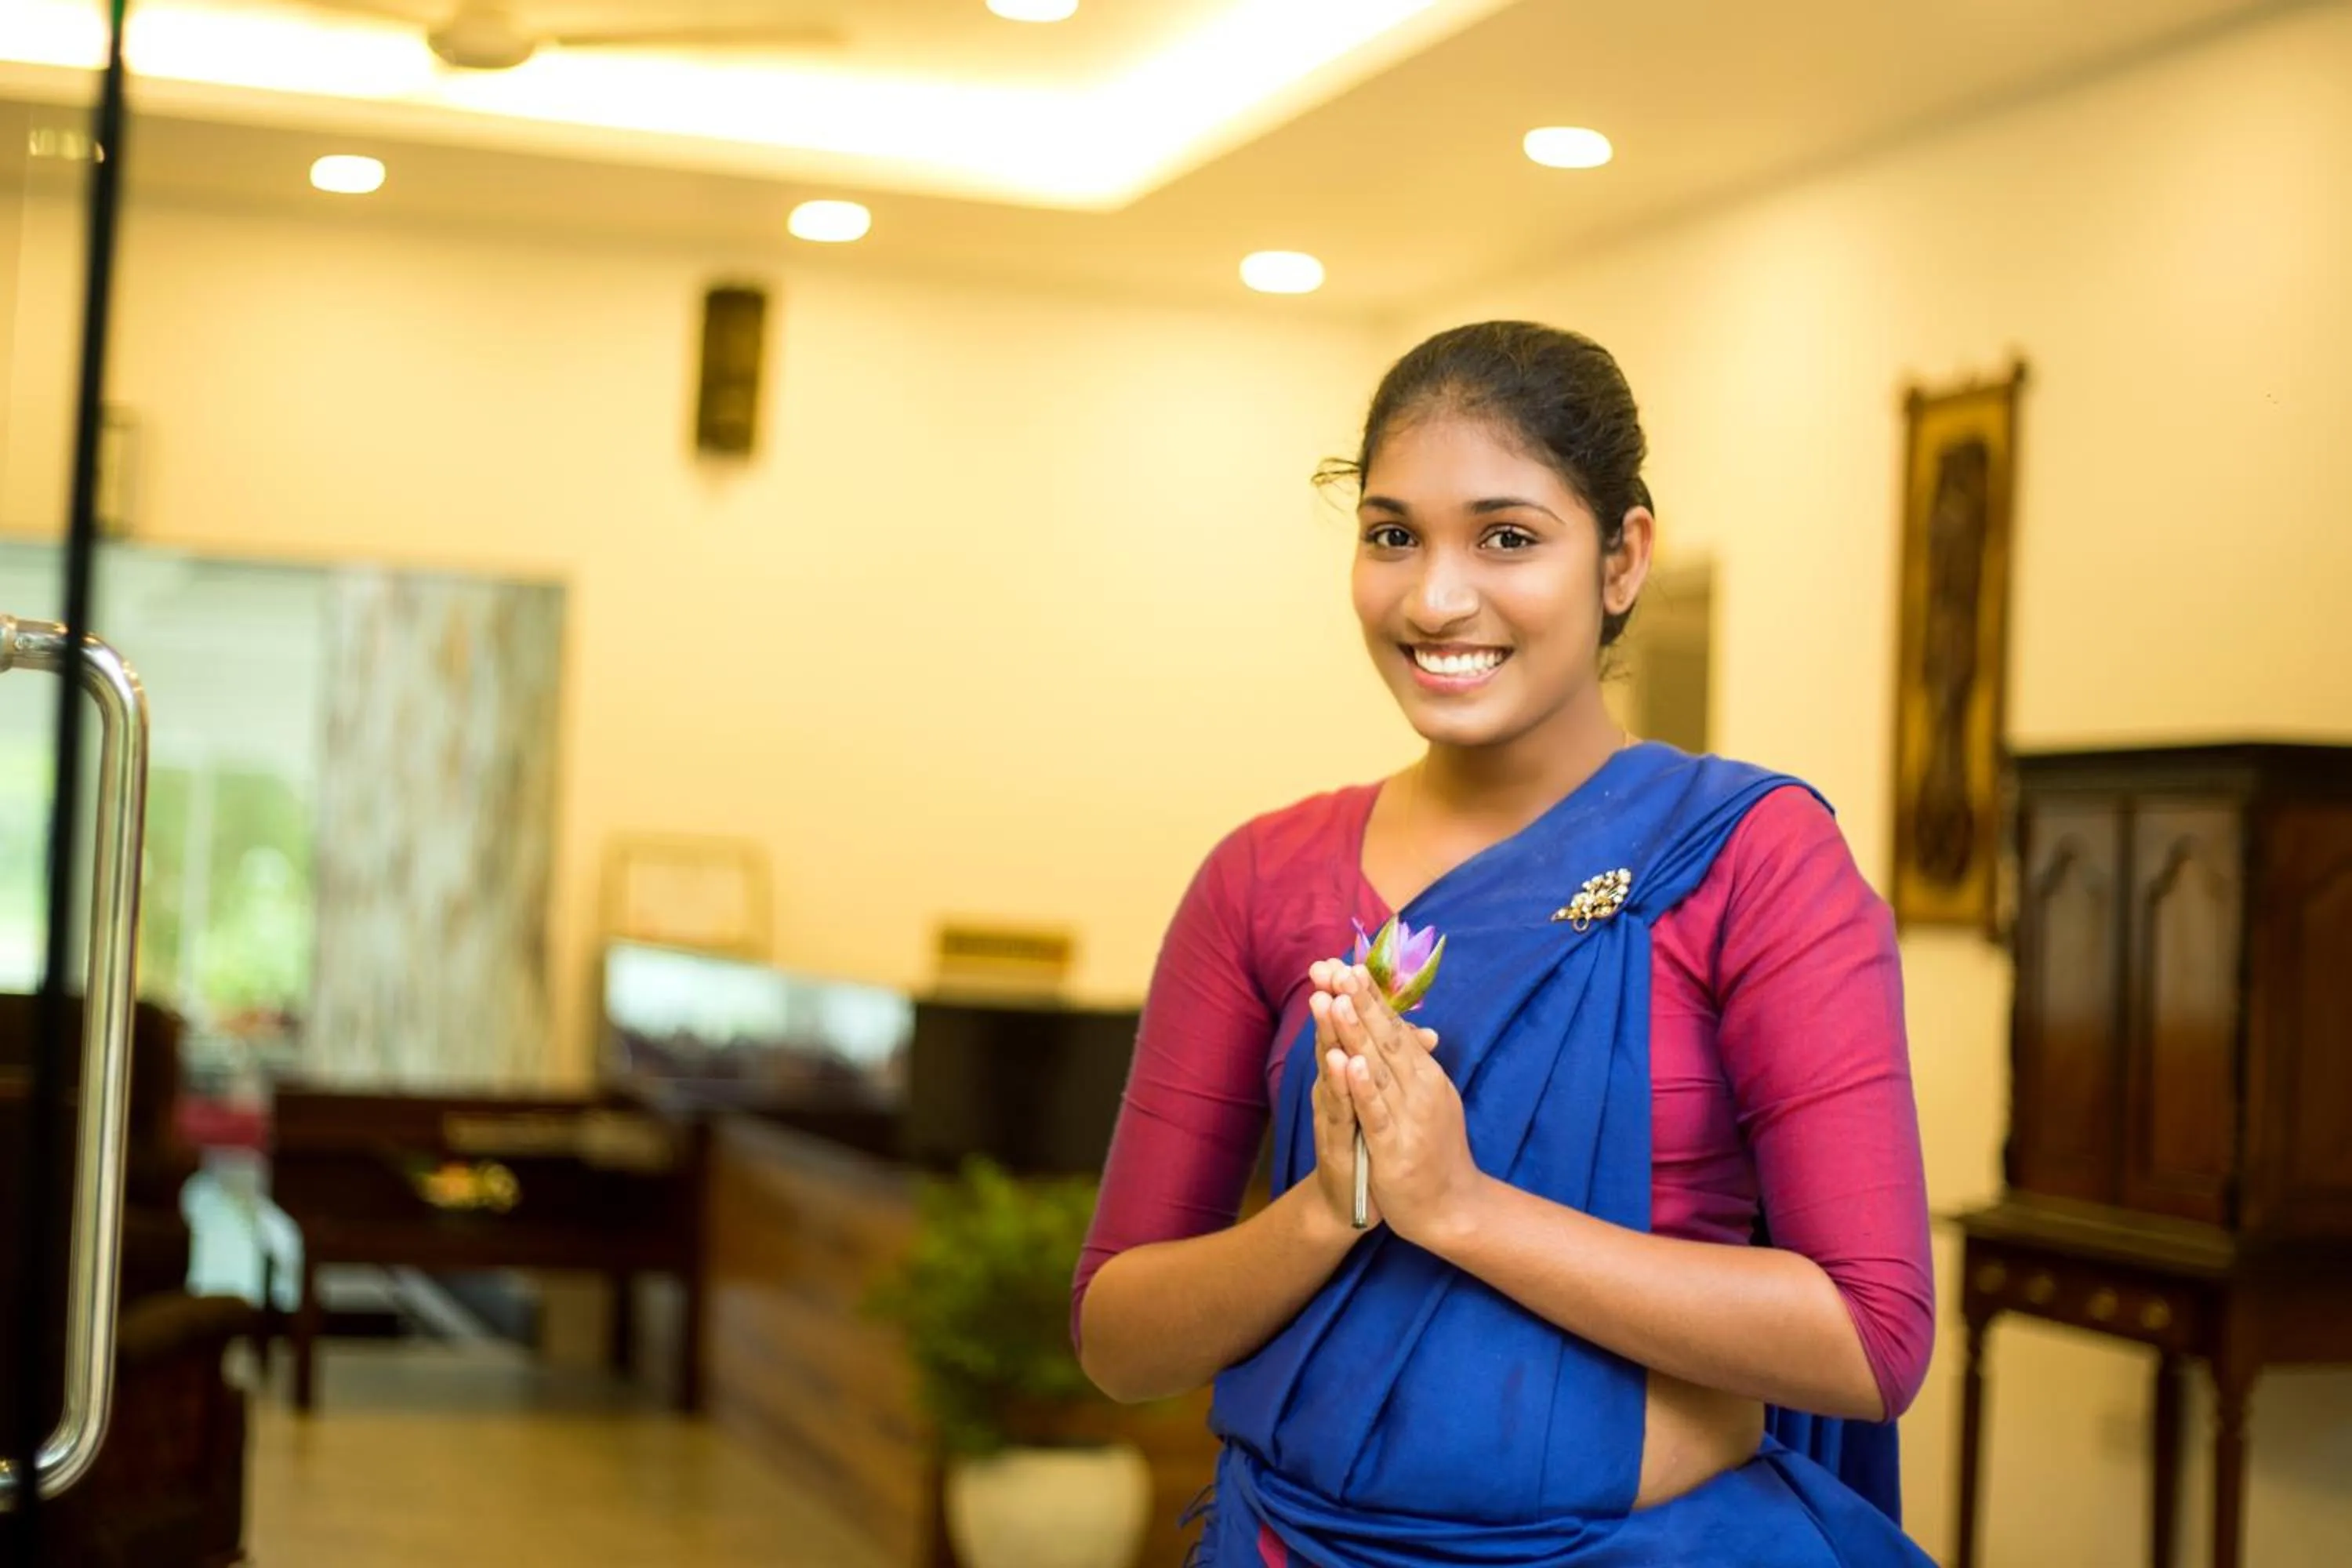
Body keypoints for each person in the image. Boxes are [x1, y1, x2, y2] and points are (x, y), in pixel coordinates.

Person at [1070, 321, 1938, 1566]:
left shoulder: (1754, 860)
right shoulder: (1259, 880)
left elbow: (1870, 1338)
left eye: (1508, 537)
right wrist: (1328, 1208)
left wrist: (1463, 1208)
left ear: (1624, 558)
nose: (1435, 598)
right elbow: (1119, 1338)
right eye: (1392, 535)